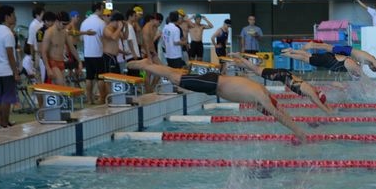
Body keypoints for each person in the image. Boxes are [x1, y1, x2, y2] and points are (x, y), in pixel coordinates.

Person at [126, 57, 307, 142]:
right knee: (175, 78)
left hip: (215, 81)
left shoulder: (261, 93)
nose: (265, 112)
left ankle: (149, 64)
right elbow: (277, 114)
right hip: (213, 84)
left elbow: (279, 112)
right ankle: (146, 66)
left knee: (177, 75)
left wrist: (294, 125)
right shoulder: (261, 97)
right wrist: (298, 131)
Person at [229, 53, 335, 115]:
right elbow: (319, 104)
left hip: (284, 74)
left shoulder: (311, 89)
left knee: (257, 70)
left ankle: (235, 62)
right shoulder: (311, 92)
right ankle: (239, 57)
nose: (318, 90)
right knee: (257, 70)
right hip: (282, 75)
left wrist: (328, 108)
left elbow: (319, 102)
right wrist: (329, 112)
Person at [301, 41, 376, 83]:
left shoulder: (368, 61)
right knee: (328, 47)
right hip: (348, 51)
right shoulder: (373, 61)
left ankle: (312, 45)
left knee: (328, 47)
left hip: (348, 52)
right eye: (373, 69)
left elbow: (356, 66)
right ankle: (311, 45)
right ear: (373, 67)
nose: (371, 68)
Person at [0, 6, 19, 128]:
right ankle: (4, 122)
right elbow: (10, 55)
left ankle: (2, 121)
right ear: (7, 17)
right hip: (7, 70)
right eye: (13, 15)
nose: (15, 17)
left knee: (0, 96)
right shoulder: (8, 34)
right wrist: (15, 71)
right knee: (7, 98)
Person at [41, 11, 82, 86]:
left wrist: (79, 61)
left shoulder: (64, 32)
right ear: (57, 21)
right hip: (52, 63)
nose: (64, 26)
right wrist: (48, 68)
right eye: (63, 24)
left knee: (60, 87)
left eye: (66, 24)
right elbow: (43, 52)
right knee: (61, 84)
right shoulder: (49, 32)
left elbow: (72, 47)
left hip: (61, 62)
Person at [281, 47, 366, 79]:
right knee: (304, 58)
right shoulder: (353, 66)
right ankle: (288, 54)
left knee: (309, 54)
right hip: (327, 61)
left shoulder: (351, 62)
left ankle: (292, 50)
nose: (355, 75)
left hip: (328, 57)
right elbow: (361, 75)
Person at [80, 2, 107, 104]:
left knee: (89, 77)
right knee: (100, 77)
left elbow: (81, 38)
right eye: (103, 8)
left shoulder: (84, 22)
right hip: (98, 53)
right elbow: (104, 38)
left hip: (87, 54)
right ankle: (102, 98)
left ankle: (89, 99)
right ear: (100, 8)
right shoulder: (101, 22)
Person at [26, 5, 44, 69]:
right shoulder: (33, 25)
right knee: (38, 73)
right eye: (42, 13)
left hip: (44, 52)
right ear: (37, 15)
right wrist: (32, 58)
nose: (43, 15)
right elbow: (31, 43)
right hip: (38, 53)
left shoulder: (43, 23)